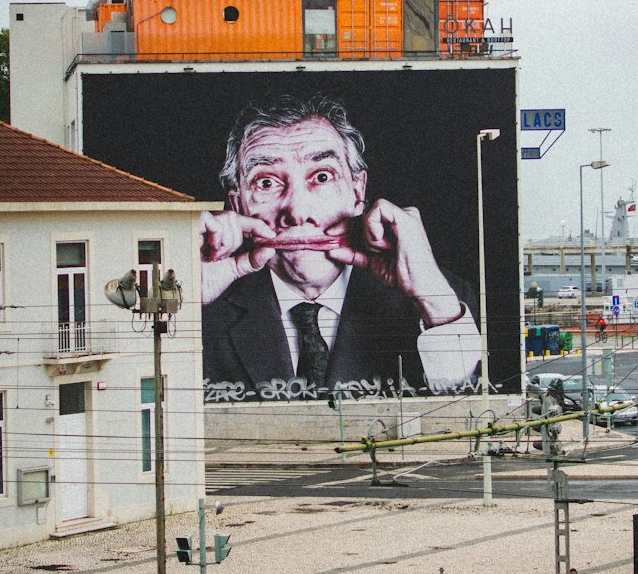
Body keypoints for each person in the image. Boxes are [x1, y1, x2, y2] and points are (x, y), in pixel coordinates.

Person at [200, 96, 481, 400]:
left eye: (321, 177)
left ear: (358, 192)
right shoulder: (201, 307)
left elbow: (470, 411)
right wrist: (181, 301)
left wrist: (434, 302)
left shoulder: (443, 299)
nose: (296, 211)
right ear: (238, 204)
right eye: (266, 183)